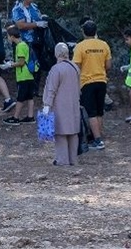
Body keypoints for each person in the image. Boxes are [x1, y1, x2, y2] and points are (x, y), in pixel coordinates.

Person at [72, 20, 110, 150]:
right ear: (95, 31)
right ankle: (98, 136)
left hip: (87, 82)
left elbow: (76, 66)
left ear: (83, 31)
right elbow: (108, 65)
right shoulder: (104, 45)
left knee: (91, 112)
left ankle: (98, 140)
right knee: (99, 111)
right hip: (102, 80)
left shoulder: (80, 46)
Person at [42, 43, 81, 166]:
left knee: (60, 133)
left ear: (56, 53)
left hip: (60, 105)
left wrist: (47, 105)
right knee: (73, 132)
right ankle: (73, 159)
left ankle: (62, 160)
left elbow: (51, 89)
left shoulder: (56, 69)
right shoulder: (75, 67)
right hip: (74, 104)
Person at [11, 0, 49, 95]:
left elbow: (38, 16)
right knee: (24, 64)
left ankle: (34, 89)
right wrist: (36, 24)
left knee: (37, 64)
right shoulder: (18, 9)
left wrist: (43, 19)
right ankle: (23, 89)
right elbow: (20, 25)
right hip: (23, 41)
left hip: (36, 40)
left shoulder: (34, 7)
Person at [1, 26, 37, 125]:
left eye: (8, 36)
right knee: (30, 97)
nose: (8, 38)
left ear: (12, 36)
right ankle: (30, 116)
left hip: (23, 76)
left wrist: (10, 65)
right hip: (29, 75)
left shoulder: (19, 46)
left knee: (20, 98)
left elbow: (21, 62)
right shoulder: (25, 44)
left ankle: (15, 117)